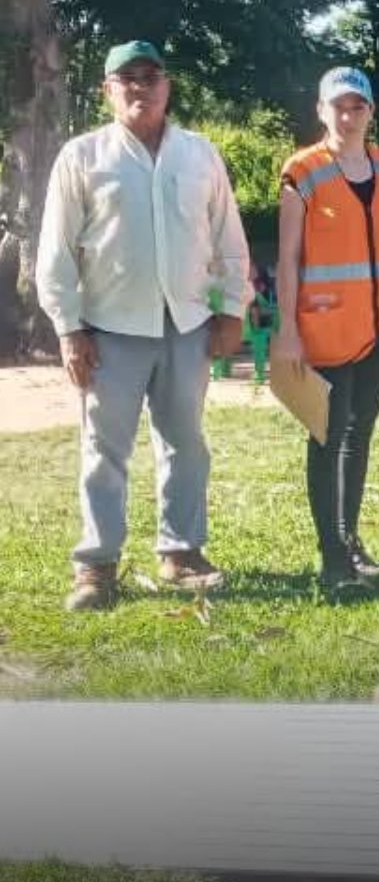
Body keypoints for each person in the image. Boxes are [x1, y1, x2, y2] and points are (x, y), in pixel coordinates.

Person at [36, 40, 250, 611]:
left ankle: (180, 552)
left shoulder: (199, 154)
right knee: (104, 449)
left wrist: (232, 307)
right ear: (108, 90)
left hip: (187, 324)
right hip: (108, 329)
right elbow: (55, 250)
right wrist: (68, 327)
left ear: (167, 86)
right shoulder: (83, 157)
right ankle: (97, 566)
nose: (140, 86)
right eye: (126, 78)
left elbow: (228, 237)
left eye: (150, 76)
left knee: (185, 442)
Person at [274, 67, 379, 590]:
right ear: (322, 110)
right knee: (328, 438)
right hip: (327, 328)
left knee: (361, 436)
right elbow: (288, 259)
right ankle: (333, 560)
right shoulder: (303, 171)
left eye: (358, 107)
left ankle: (350, 541)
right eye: (339, 106)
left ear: (370, 112)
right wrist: (288, 328)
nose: (349, 116)